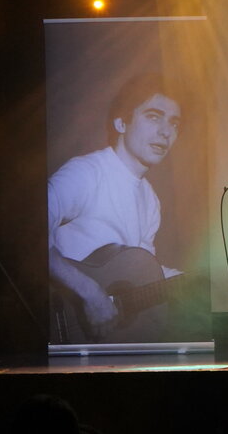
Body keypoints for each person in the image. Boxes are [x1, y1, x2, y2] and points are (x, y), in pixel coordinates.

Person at [48, 73, 183, 342]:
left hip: (105, 342)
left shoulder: (150, 198)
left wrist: (189, 281)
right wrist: (89, 291)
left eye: (174, 123)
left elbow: (143, 270)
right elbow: (28, 235)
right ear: (121, 123)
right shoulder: (86, 173)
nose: (166, 132)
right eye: (153, 117)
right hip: (59, 323)